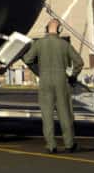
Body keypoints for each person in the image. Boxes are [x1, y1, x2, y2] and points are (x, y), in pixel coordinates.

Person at [22, 18, 84, 153]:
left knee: (47, 114)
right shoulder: (64, 44)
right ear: (59, 29)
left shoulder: (39, 44)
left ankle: (51, 145)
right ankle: (69, 144)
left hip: (44, 80)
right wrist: (73, 76)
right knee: (65, 113)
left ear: (46, 29)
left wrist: (39, 70)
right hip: (62, 80)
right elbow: (79, 62)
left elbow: (27, 59)